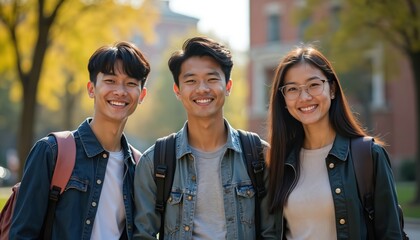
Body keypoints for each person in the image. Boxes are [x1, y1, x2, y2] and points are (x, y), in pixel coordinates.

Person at [133, 36, 276, 239]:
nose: (202, 89)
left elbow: (272, 233)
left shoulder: (260, 156)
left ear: (228, 86)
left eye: (211, 79)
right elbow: (143, 234)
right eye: (191, 81)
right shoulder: (155, 161)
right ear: (177, 91)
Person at [10, 41, 150, 239]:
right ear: (91, 88)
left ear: (142, 94)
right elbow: (22, 234)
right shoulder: (51, 151)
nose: (120, 91)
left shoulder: (138, 167)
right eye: (110, 81)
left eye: (131, 83)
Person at [266, 45, 403, 239]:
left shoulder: (368, 155)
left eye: (313, 85)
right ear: (284, 100)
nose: (304, 97)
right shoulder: (280, 162)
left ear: (331, 89)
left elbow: (391, 234)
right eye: (293, 89)